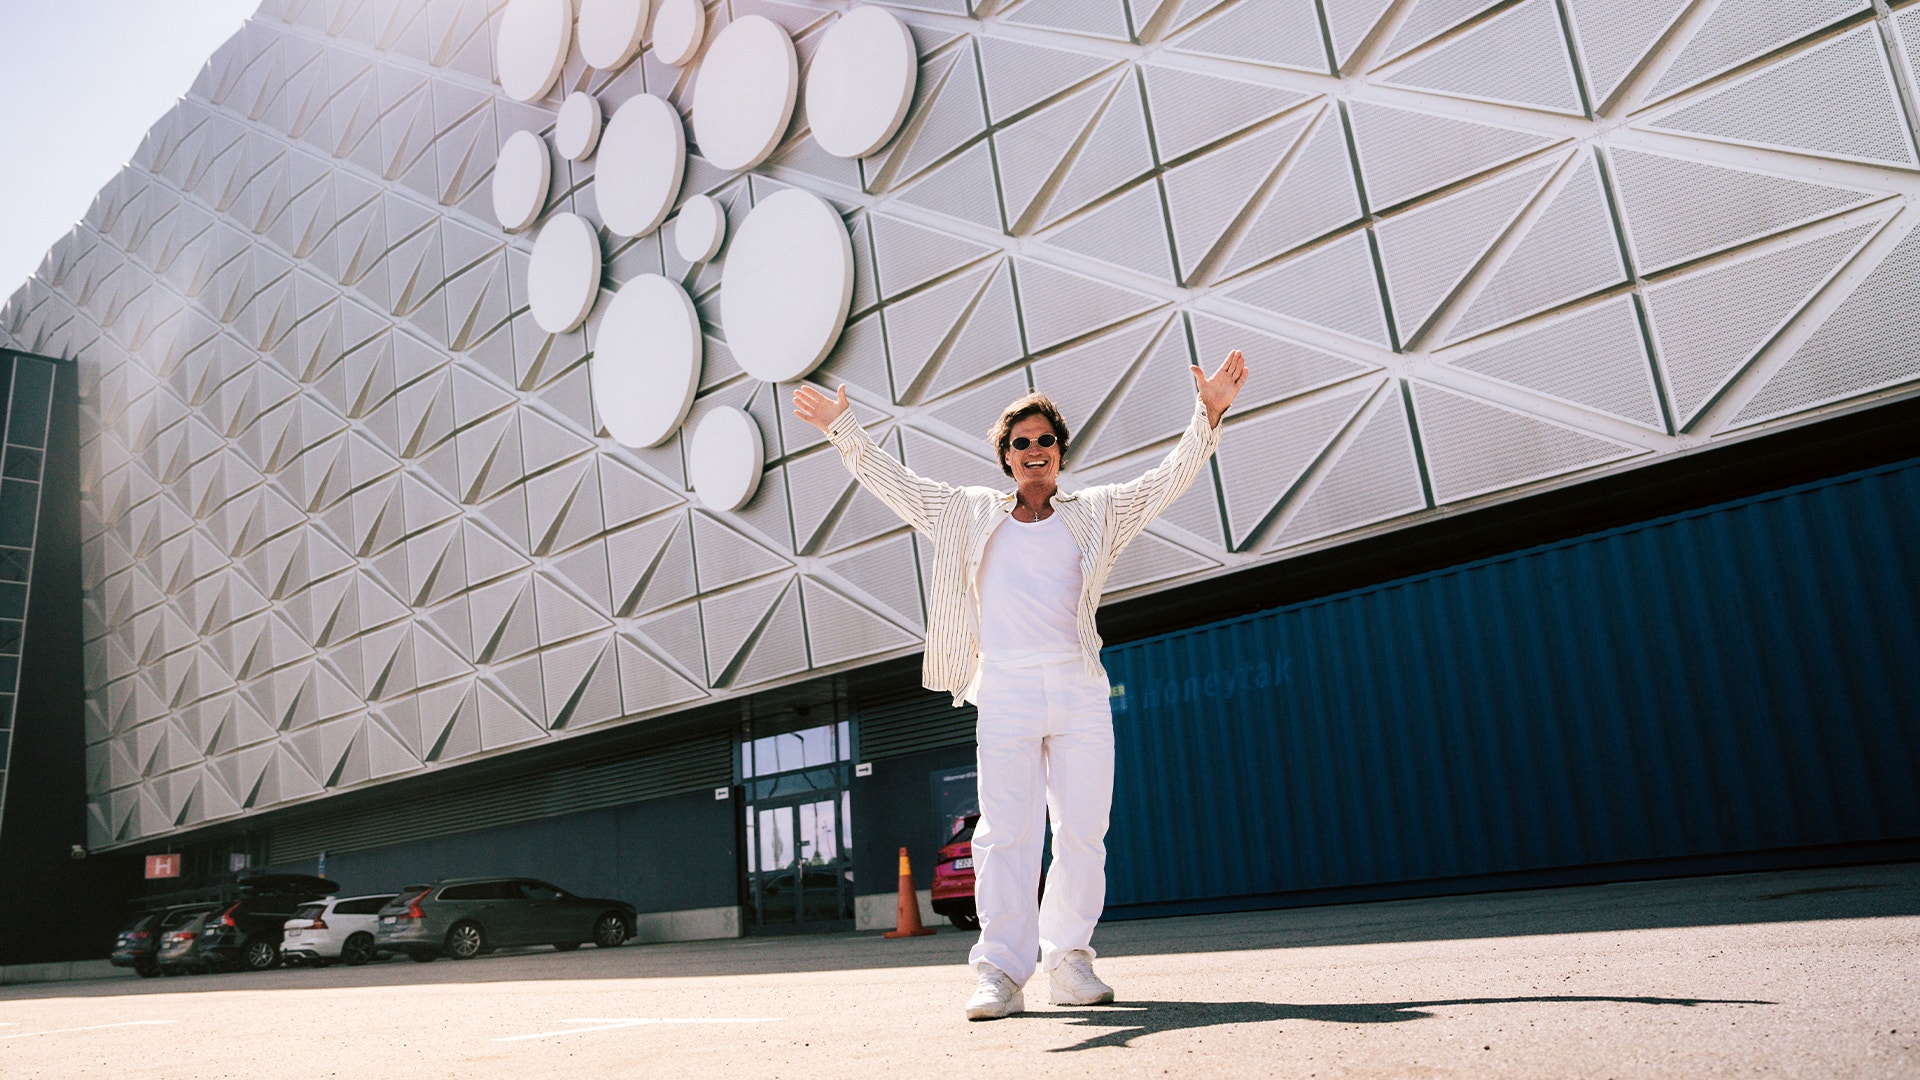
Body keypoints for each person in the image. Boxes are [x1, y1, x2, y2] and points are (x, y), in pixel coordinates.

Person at [793, 349, 1250, 1020]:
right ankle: (1001, 973)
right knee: (1005, 833)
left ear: (1060, 451)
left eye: (1044, 440)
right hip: (1003, 688)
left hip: (1077, 689)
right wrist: (844, 430)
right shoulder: (968, 512)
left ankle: (1069, 961)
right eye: (1020, 442)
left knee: (1082, 831)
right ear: (1005, 455)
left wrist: (1207, 413)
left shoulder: (1094, 513)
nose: (1033, 450)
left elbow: (1166, 481)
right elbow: (897, 483)